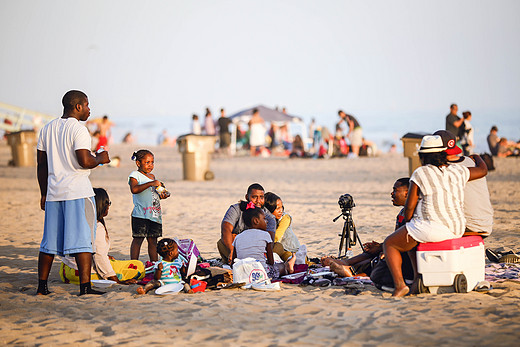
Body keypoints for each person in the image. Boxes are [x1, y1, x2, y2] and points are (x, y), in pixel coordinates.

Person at [383, 135, 488, 297]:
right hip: (457, 228)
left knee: (390, 243)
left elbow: (409, 207)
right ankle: (419, 279)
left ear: (422, 156)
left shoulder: (420, 173)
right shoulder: (458, 171)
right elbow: (483, 170)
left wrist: (409, 221)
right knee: (410, 236)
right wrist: (478, 157)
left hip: (432, 228)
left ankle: (400, 286)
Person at [36, 90, 110, 296]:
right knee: (83, 241)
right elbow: (84, 161)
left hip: (53, 193)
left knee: (49, 242)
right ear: (78, 107)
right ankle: (85, 288)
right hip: (77, 192)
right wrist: (101, 158)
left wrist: (44, 193)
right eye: (87, 105)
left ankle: (42, 287)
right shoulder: (79, 129)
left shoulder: (47, 128)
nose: (89, 110)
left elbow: (41, 165)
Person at [321, 178, 412, 280]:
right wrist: (379, 246)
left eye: (395, 190)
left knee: (380, 259)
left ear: (407, 194)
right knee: (370, 252)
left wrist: (383, 248)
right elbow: (397, 238)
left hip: (406, 257)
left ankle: (352, 273)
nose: (392, 193)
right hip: (398, 248)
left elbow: (405, 241)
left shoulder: (412, 215)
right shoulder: (402, 213)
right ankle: (345, 263)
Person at [60, 188, 144, 284]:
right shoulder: (97, 226)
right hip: (81, 273)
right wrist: (116, 281)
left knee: (112, 261)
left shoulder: (76, 221)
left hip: (65, 270)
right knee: (138, 266)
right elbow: (99, 256)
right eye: (107, 203)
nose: (109, 206)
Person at [434, 130, 493, 237]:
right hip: (486, 222)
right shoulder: (471, 161)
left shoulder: (445, 170)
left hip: (470, 226)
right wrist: (476, 156)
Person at [231, 203, 296, 279]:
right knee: (280, 266)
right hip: (262, 273)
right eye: (264, 219)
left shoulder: (238, 237)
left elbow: (233, 262)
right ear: (256, 221)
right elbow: (271, 261)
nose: (267, 222)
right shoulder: (265, 235)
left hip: (243, 274)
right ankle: (287, 268)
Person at [217, 183, 276, 264]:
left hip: (259, 249)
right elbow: (226, 228)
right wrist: (231, 251)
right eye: (254, 197)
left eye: (261, 198)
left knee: (278, 247)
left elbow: (270, 241)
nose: (258, 201)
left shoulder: (270, 217)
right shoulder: (236, 209)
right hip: (238, 249)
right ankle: (229, 260)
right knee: (222, 242)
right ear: (246, 197)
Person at [129, 149, 170, 263]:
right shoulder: (135, 175)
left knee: (153, 241)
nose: (150, 165)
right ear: (138, 163)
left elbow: (155, 193)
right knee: (138, 239)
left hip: (154, 215)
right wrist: (151, 183)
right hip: (141, 214)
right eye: (147, 162)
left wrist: (162, 194)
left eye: (152, 162)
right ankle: (134, 264)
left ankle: (154, 264)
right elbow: (134, 189)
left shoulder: (152, 177)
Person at [264, 192, 301, 261]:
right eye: (277, 208)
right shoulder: (266, 219)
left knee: (288, 256)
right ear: (269, 209)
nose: (281, 211)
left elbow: (276, 236)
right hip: (279, 248)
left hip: (291, 249)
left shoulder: (285, 218)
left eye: (282, 207)